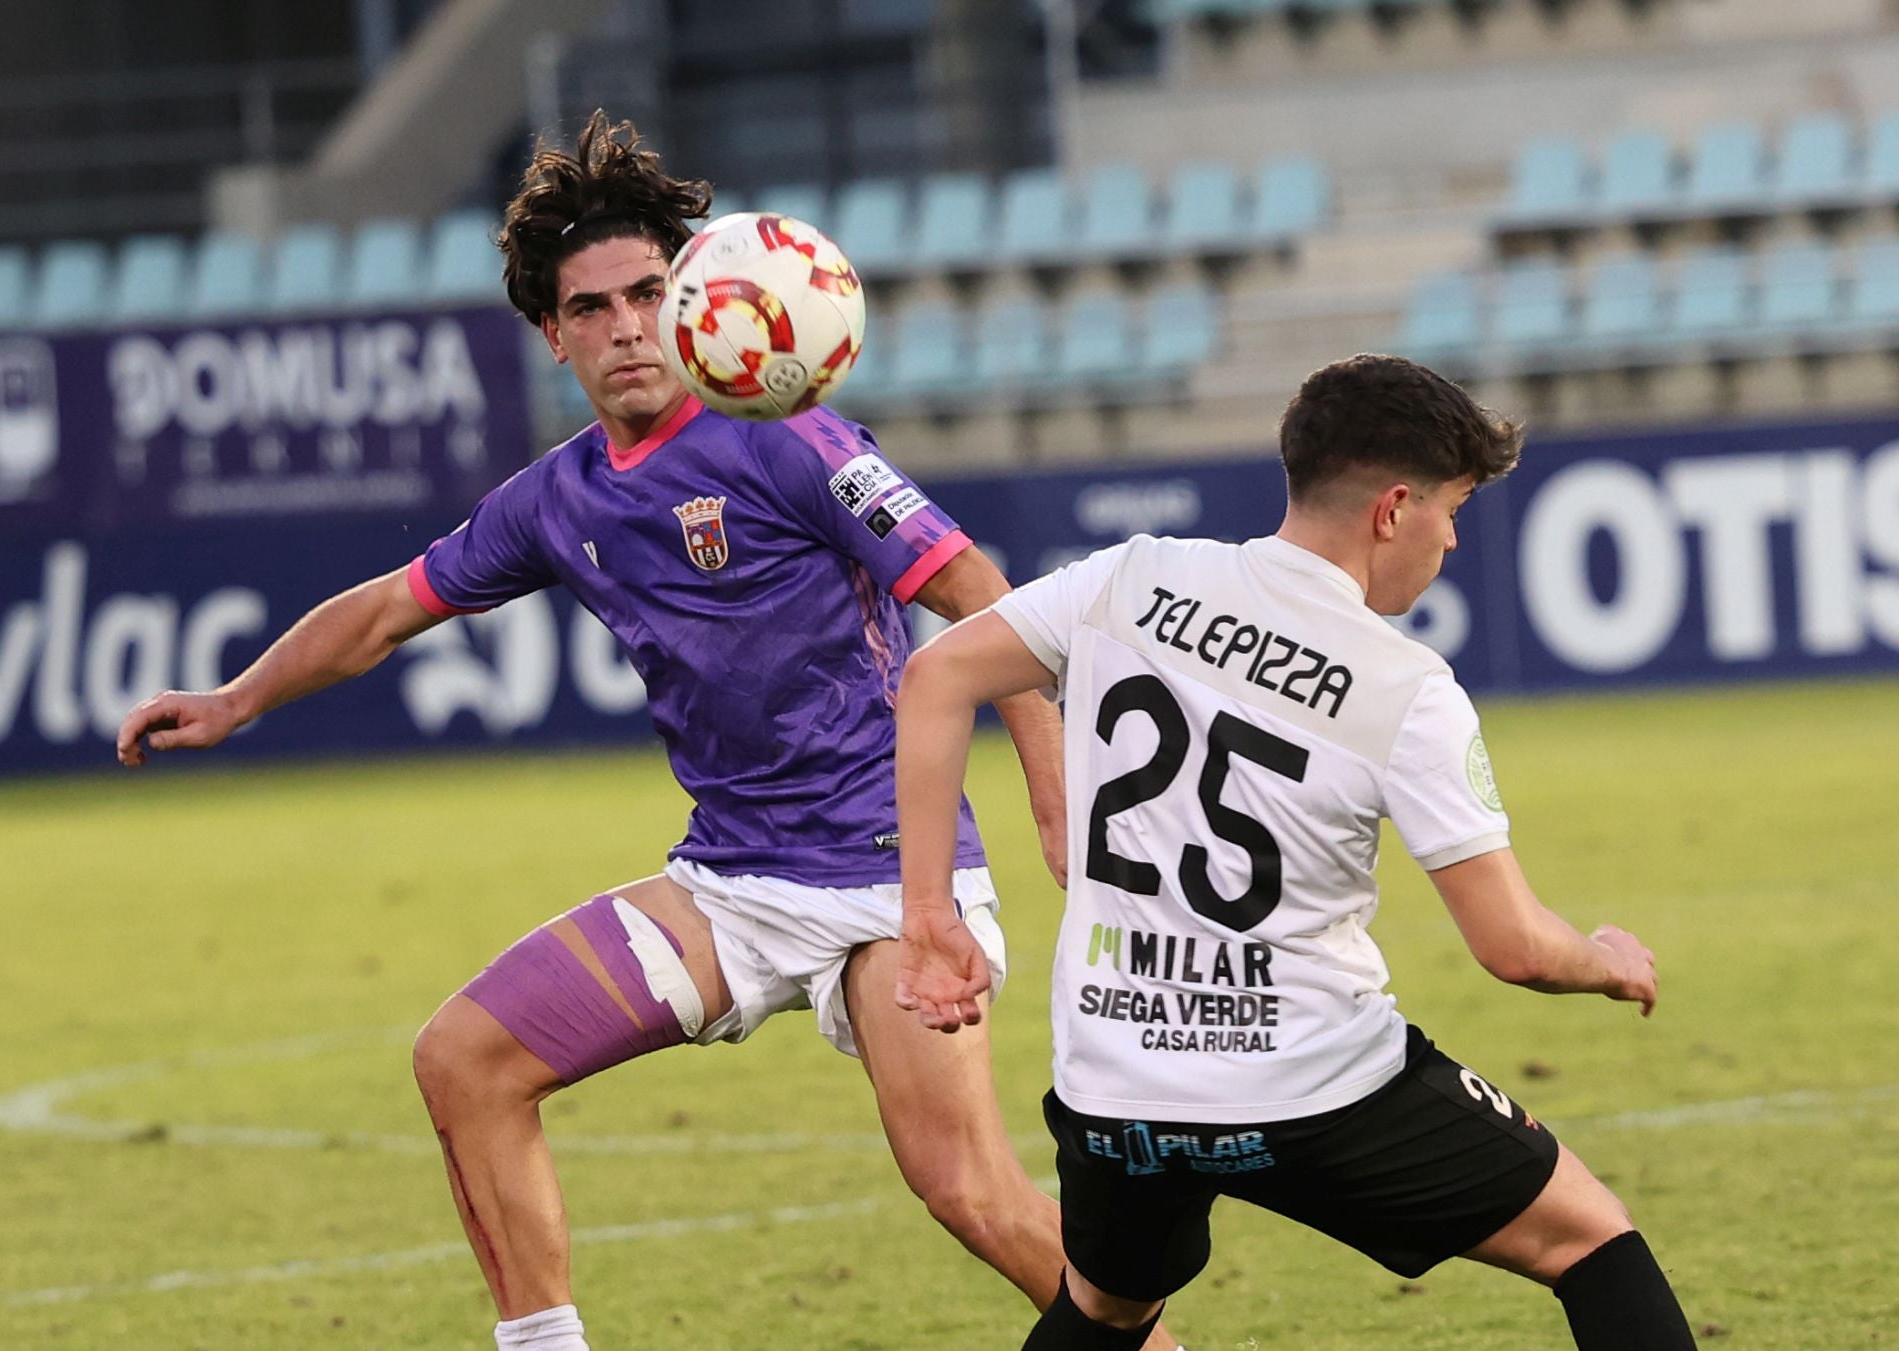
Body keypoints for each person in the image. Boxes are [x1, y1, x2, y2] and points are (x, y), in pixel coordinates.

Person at [115, 112, 1184, 1351]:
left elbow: (981, 597)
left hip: (894, 877)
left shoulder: (792, 438)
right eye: (593, 308)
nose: (626, 324)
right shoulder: (556, 498)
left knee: (973, 1195)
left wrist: (1057, 792)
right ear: (553, 333)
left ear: (691, 303)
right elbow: (384, 614)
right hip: (729, 885)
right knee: (464, 1061)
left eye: (648, 293)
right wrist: (239, 697)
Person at [890, 354, 1699, 1350]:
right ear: (1392, 508)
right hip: (1315, 1087)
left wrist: (926, 910)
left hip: (1114, 1083)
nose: (1451, 537)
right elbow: (1515, 945)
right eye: (1452, 509)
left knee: (1104, 1306)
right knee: (1592, 1240)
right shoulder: (1406, 687)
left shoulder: (1133, 578)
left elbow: (932, 676)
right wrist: (1605, 959)